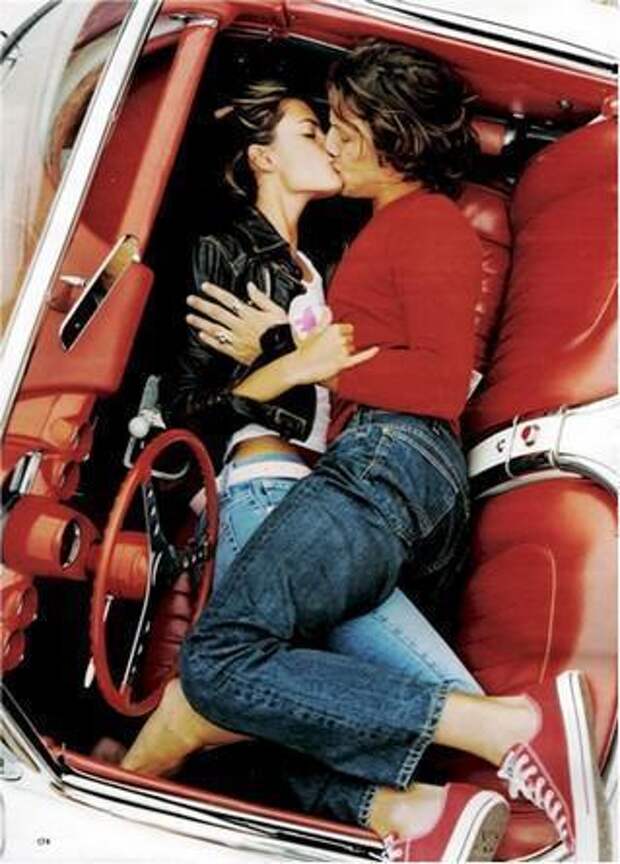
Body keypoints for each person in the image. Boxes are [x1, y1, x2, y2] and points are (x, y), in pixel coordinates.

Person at [122, 42, 608, 862]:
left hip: (392, 458)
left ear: (392, 139)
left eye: (344, 127)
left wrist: (298, 355)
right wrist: (293, 355)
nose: (336, 141)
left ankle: (506, 730)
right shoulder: (377, 233)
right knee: (265, 690)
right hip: (378, 464)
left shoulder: (428, 224)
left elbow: (438, 382)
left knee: (219, 667)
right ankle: (417, 812)